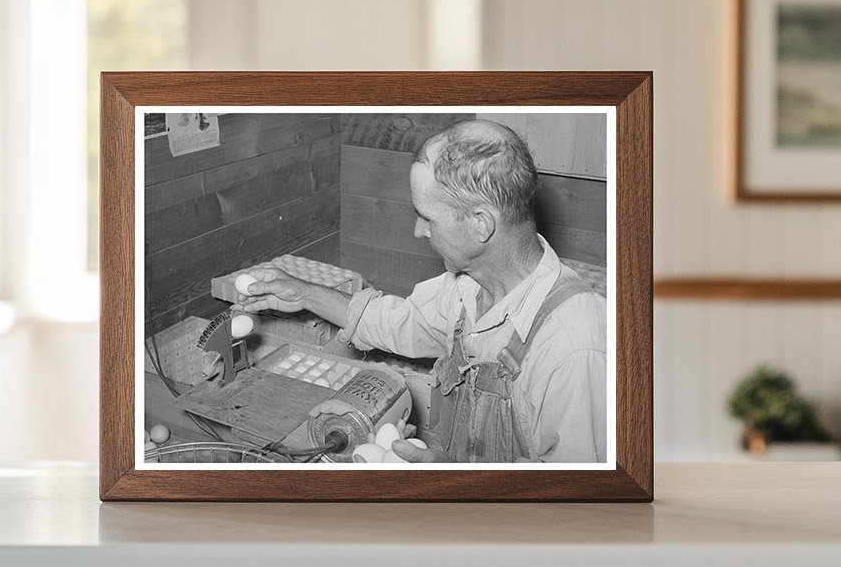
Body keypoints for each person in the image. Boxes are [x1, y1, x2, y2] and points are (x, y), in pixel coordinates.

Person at [235, 119, 606, 464]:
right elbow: (400, 322)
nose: (418, 232)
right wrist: (306, 295)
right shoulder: (467, 287)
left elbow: (577, 508)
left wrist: (449, 475)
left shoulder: (573, 345)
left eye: (427, 218)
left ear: (481, 224)